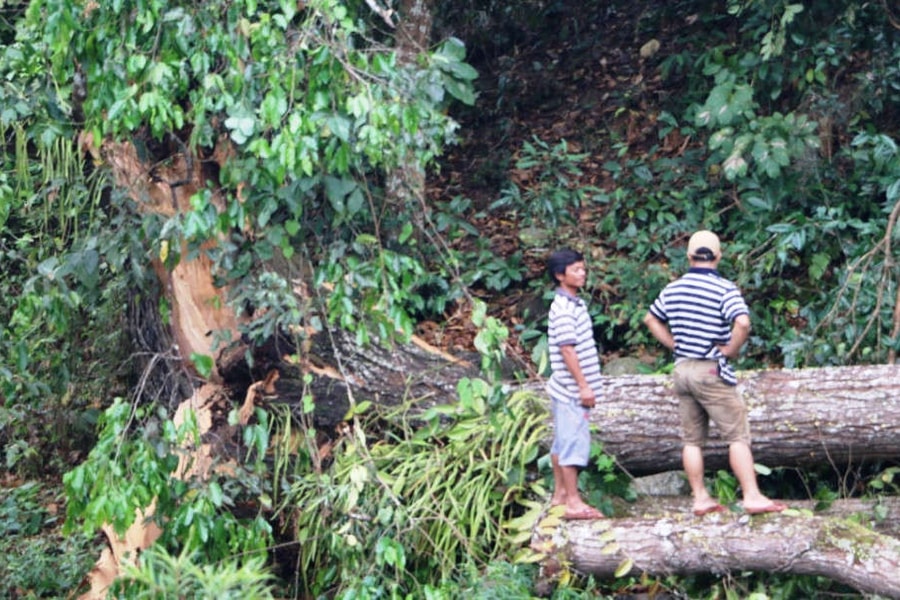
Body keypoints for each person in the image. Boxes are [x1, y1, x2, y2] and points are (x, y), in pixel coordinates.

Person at [642, 230, 787, 516]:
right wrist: (730, 349)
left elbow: (650, 318)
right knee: (737, 436)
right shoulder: (724, 289)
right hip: (710, 369)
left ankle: (700, 498)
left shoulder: (673, 288)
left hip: (682, 369)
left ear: (689, 257)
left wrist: (674, 344)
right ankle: (752, 495)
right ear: (719, 256)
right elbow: (742, 323)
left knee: (692, 440)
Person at [546, 248, 605, 520]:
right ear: (560, 275)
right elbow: (567, 349)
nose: (582, 274)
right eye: (576, 270)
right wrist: (583, 386)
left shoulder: (574, 304)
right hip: (570, 389)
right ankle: (572, 501)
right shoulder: (563, 309)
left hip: (567, 387)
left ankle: (559, 495)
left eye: (583, 268)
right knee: (572, 444)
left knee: (561, 442)